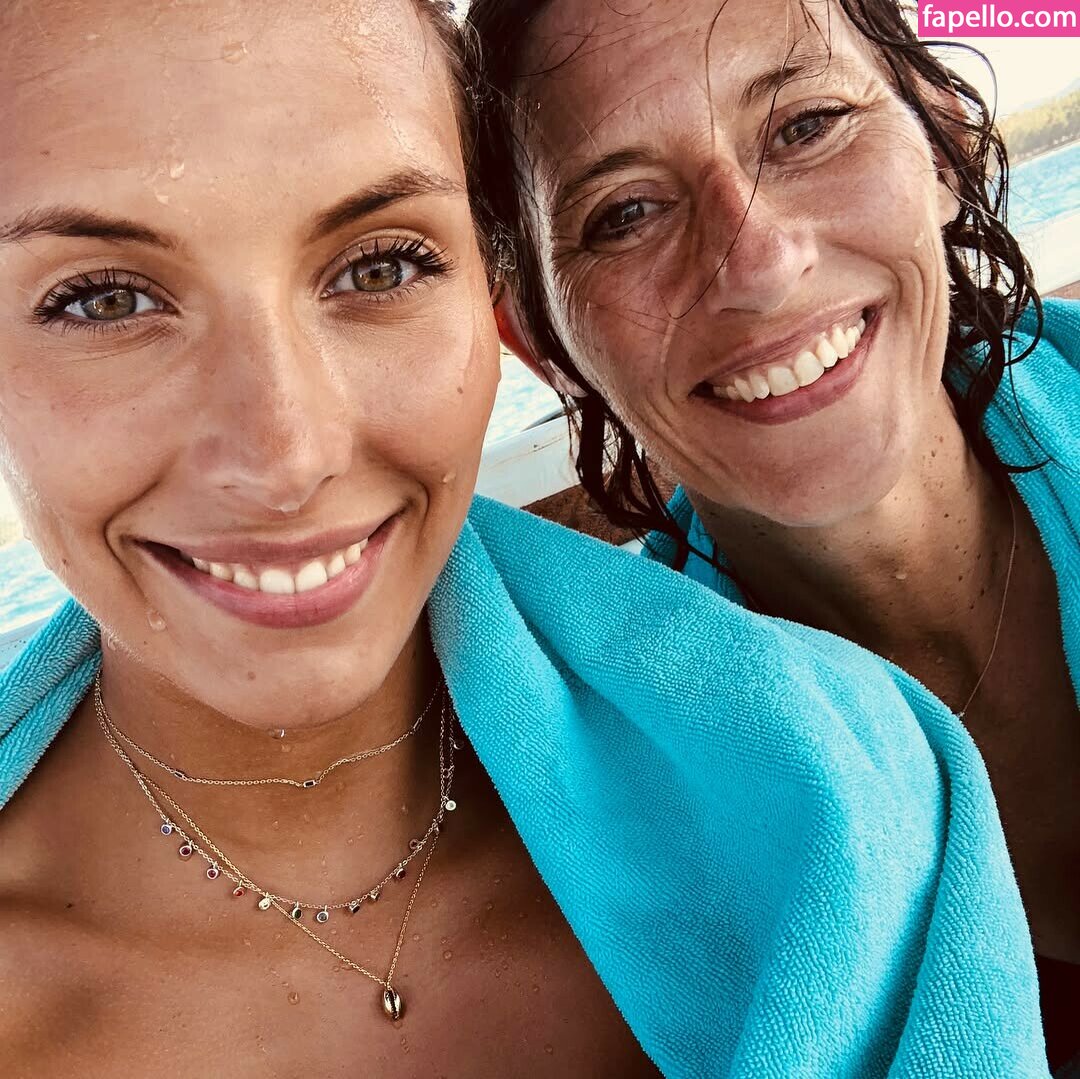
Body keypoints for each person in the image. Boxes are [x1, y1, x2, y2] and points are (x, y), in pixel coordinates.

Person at [0, 0, 1052, 1076]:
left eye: (379, 265)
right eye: (102, 300)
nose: (287, 457)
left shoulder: (849, 794)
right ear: (534, 334)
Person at [466, 0, 1080, 1071]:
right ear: (543, 341)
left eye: (806, 126)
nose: (757, 263)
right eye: (625, 213)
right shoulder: (613, 851)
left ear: (941, 139)